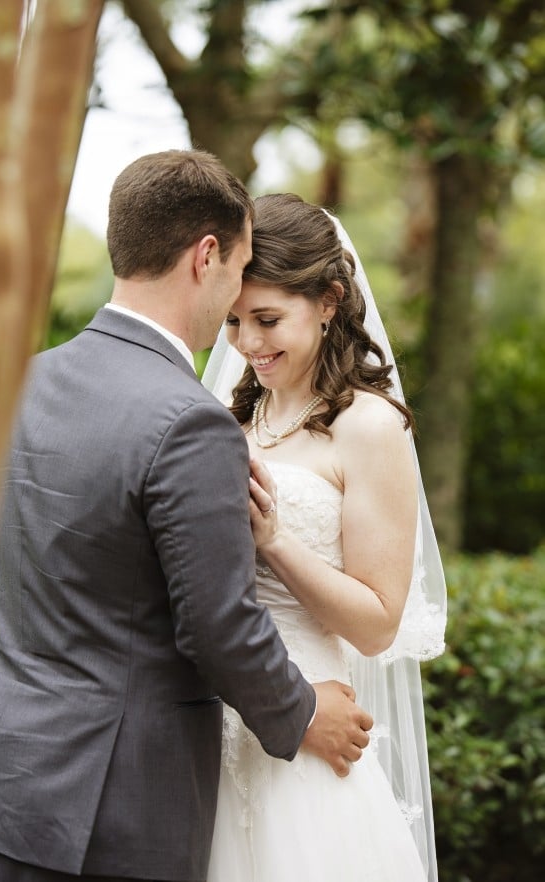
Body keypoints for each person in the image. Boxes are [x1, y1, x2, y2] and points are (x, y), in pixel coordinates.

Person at [0, 152, 374, 882]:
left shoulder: (25, 378)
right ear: (206, 256)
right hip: (115, 813)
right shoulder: (189, 421)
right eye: (240, 270)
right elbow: (216, 623)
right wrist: (305, 712)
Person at [201, 193, 447, 882]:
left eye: (268, 319)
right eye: (233, 321)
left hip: (311, 736)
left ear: (330, 301)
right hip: (209, 735)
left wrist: (276, 542)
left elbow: (376, 624)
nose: (248, 344)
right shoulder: (225, 422)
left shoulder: (368, 428)